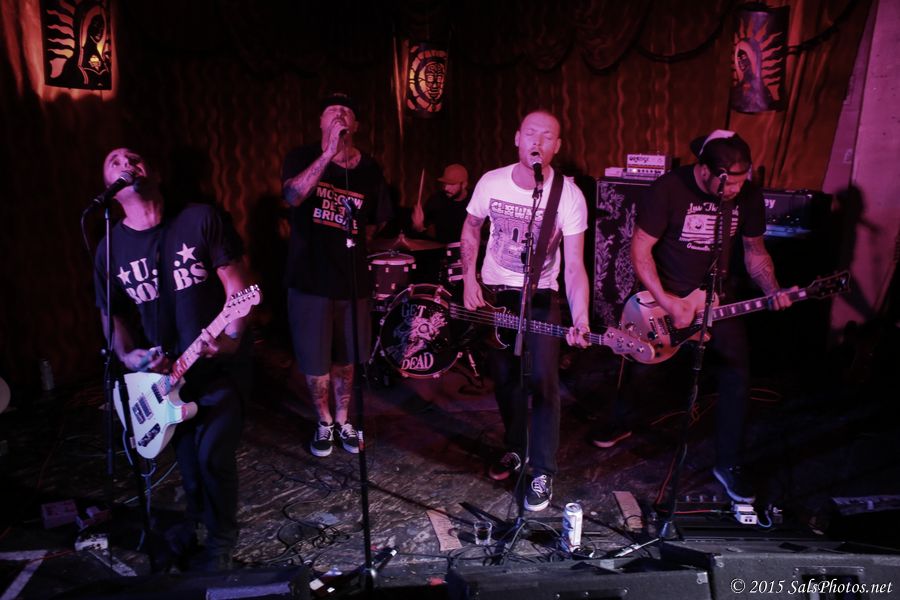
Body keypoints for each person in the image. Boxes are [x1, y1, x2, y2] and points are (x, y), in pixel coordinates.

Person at [596, 130, 794, 504]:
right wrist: (668, 302)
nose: (735, 189)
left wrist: (772, 288)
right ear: (704, 169)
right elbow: (640, 251)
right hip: (664, 297)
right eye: (728, 183)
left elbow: (754, 250)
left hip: (717, 299)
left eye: (741, 182)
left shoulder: (747, 195)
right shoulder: (669, 189)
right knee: (640, 363)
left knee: (737, 372)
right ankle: (621, 421)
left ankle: (728, 464)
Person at [93, 148, 252, 571]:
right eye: (114, 161)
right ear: (109, 189)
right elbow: (111, 314)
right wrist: (128, 355)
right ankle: (195, 523)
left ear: (155, 172)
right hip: (167, 378)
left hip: (218, 366)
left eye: (134, 157)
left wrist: (230, 341)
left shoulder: (199, 219)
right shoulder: (109, 249)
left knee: (213, 457)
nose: (126, 162)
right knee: (189, 464)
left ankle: (221, 544)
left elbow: (238, 290)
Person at [460, 110, 592, 512]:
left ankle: (543, 472)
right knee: (505, 380)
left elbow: (574, 265)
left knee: (544, 384)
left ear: (557, 146)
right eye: (531, 133)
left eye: (547, 136)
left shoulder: (568, 196)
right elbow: (471, 226)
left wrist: (581, 317)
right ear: (517, 137)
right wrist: (469, 279)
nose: (538, 141)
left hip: (539, 298)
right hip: (495, 296)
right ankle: (517, 447)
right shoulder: (491, 181)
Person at [281, 93, 392, 458]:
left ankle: (343, 419)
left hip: (352, 281)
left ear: (355, 125)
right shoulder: (301, 157)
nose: (340, 115)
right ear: (321, 122)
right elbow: (293, 196)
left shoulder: (370, 169)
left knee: (346, 359)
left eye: (347, 111)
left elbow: (375, 222)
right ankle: (324, 421)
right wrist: (328, 153)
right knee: (315, 360)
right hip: (309, 280)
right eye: (332, 111)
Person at [411, 163, 471, 244]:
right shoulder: (436, 200)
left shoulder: (475, 200)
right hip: (443, 249)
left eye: (451, 184)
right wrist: (419, 228)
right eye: (445, 183)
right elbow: (420, 239)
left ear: (464, 184)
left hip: (471, 248)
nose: (446, 188)